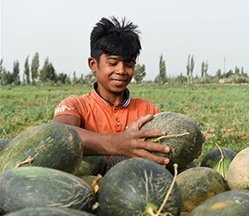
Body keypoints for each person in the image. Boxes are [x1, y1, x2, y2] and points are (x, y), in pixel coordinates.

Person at [52, 16, 170, 166]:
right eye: (113, 63)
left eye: (129, 64)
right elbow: (57, 135)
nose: (121, 71)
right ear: (93, 64)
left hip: (134, 184)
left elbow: (167, 140)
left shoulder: (146, 109)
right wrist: (118, 144)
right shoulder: (76, 105)